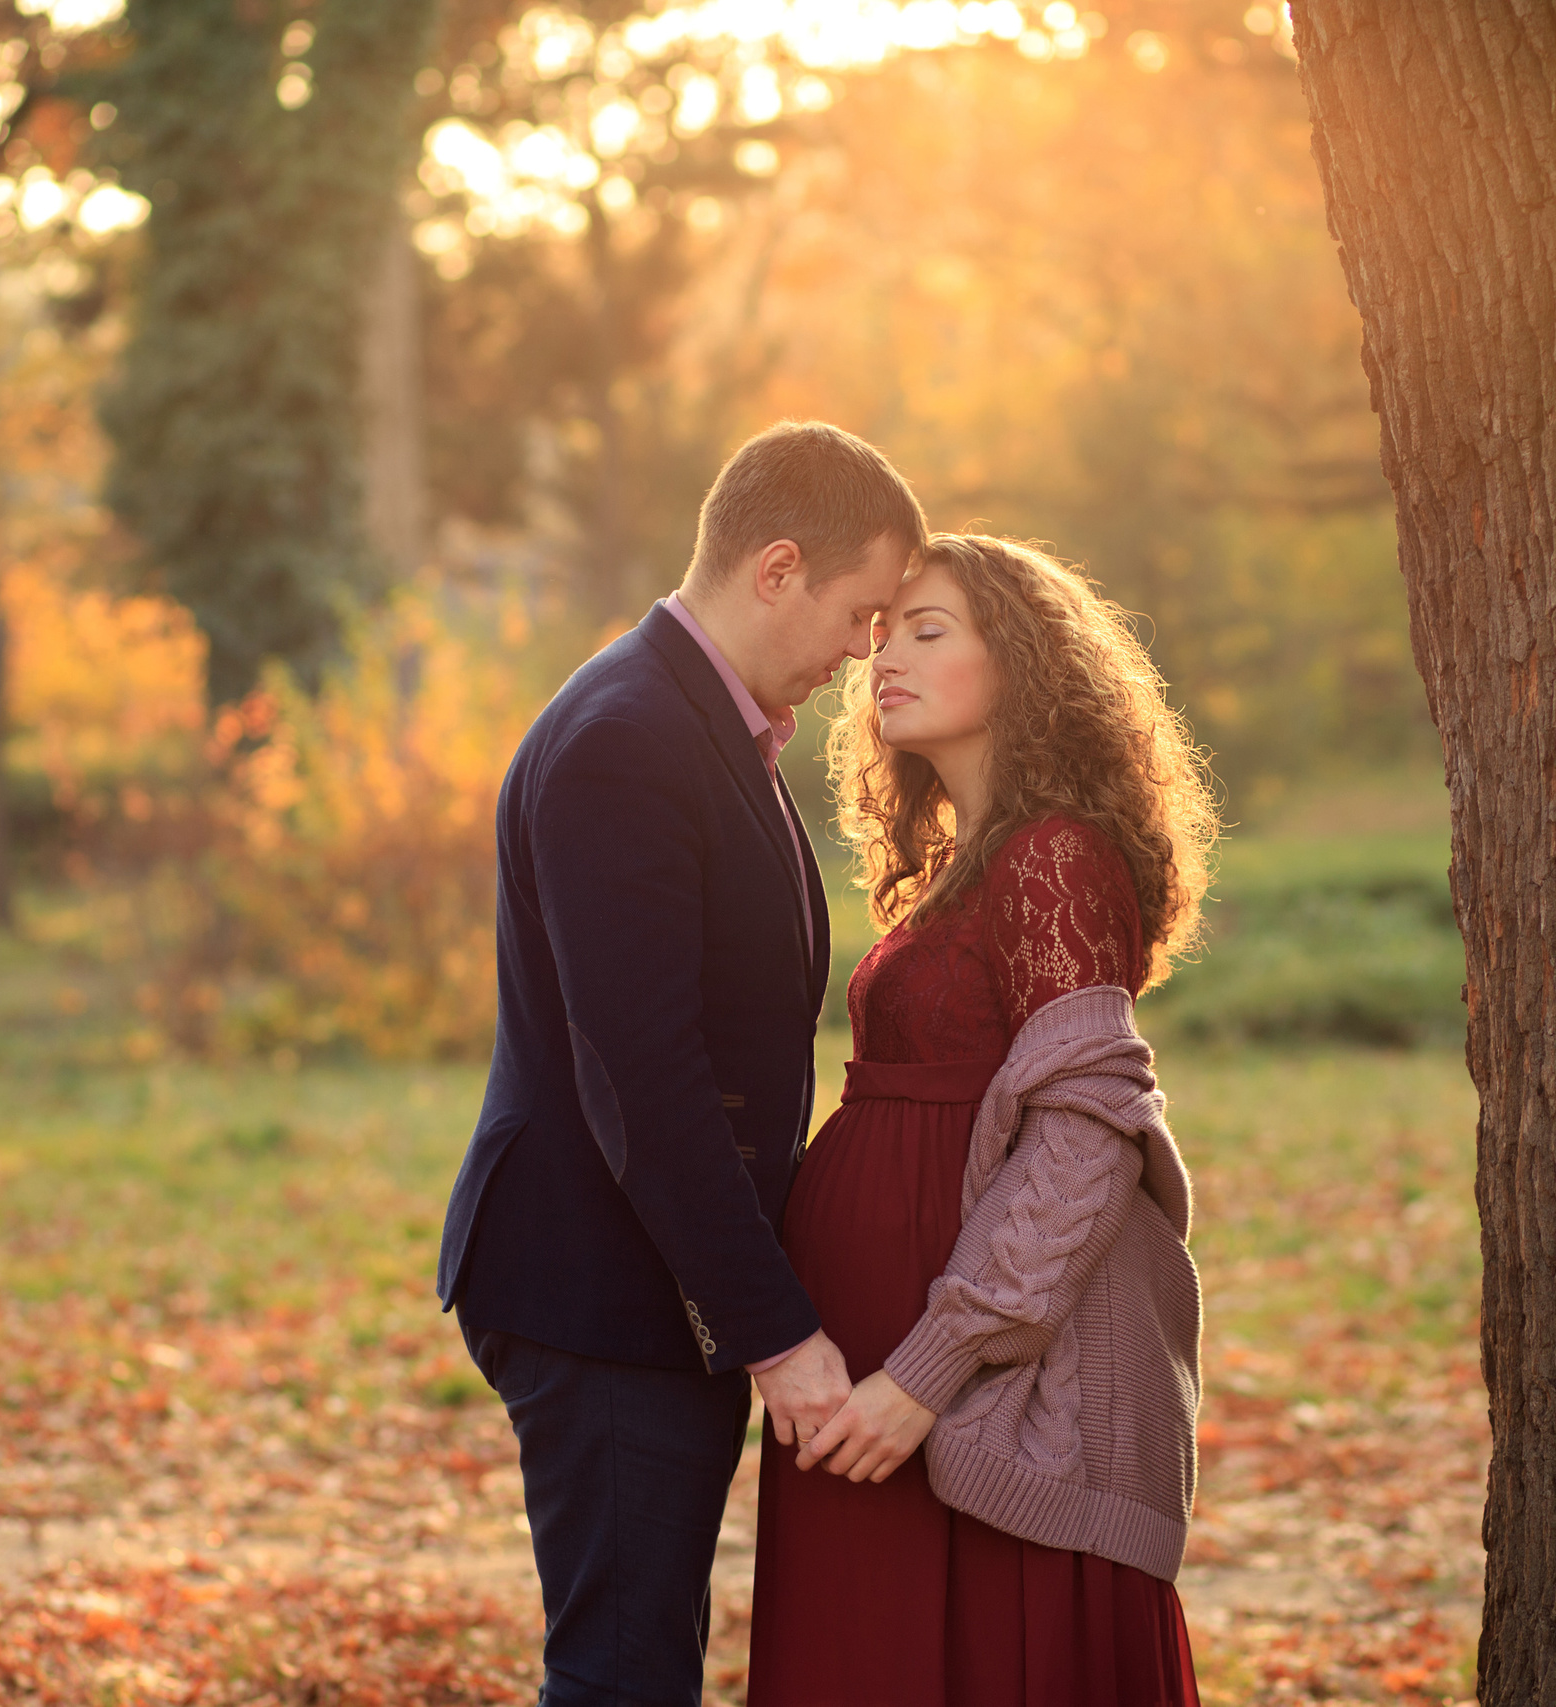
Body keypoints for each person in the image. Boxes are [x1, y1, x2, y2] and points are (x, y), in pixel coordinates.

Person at [436, 421, 929, 1706]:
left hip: (657, 1291)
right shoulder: (625, 740)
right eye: (862, 612)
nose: (862, 653)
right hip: (597, 1290)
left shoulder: (707, 727)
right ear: (777, 569)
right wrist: (774, 1335)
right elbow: (643, 1082)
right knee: (620, 1679)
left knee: (642, 1665)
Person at [749, 533, 1217, 1707]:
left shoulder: (1056, 859)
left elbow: (1086, 1137)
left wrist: (927, 1372)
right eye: (881, 632)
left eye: (927, 628)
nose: (881, 658)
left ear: (1018, 660)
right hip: (874, 1343)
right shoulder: (968, 864)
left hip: (952, 1368)